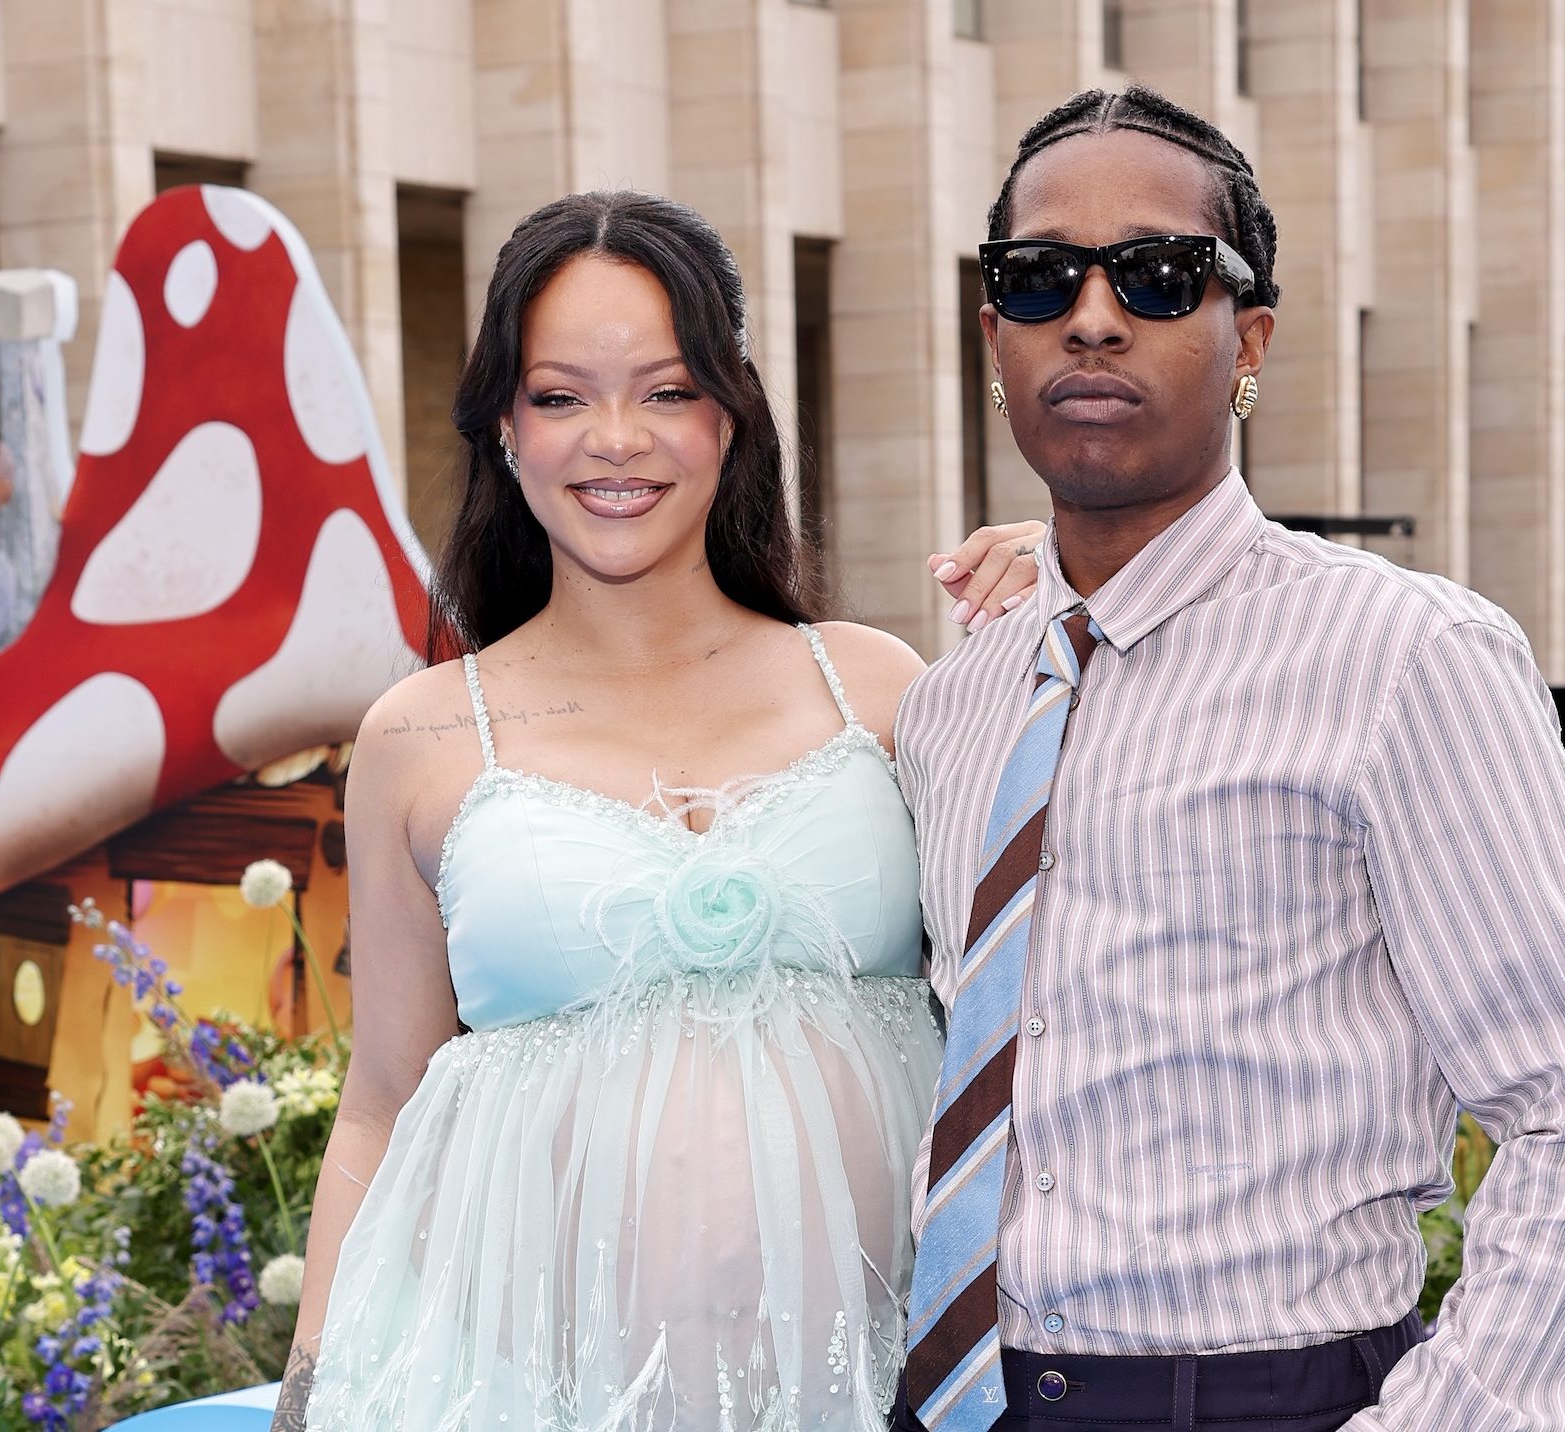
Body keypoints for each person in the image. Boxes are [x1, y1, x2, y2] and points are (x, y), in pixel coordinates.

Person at [891, 87, 1565, 1432]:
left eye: (1156, 276)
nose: (1091, 316)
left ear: (1248, 337)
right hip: (958, 1397)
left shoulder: (1402, 658)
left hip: (1275, 1397)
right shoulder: (956, 703)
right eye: (1038, 281)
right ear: (995, 338)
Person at [275, 192, 1044, 1429]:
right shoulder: (417, 734)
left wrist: (1074, 577)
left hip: (886, 1383)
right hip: (527, 1390)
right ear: (505, 428)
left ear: (732, 417)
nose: (614, 440)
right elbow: (382, 1095)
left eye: (668, 390)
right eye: (563, 395)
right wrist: (308, 1390)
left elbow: (1063, 954)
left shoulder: (882, 684)